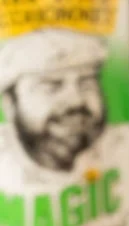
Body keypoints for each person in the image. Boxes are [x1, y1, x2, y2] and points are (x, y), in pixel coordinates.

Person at [0, 29, 112, 182]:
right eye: (51, 86)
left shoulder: (124, 148)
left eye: (87, 83)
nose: (76, 100)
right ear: (10, 104)